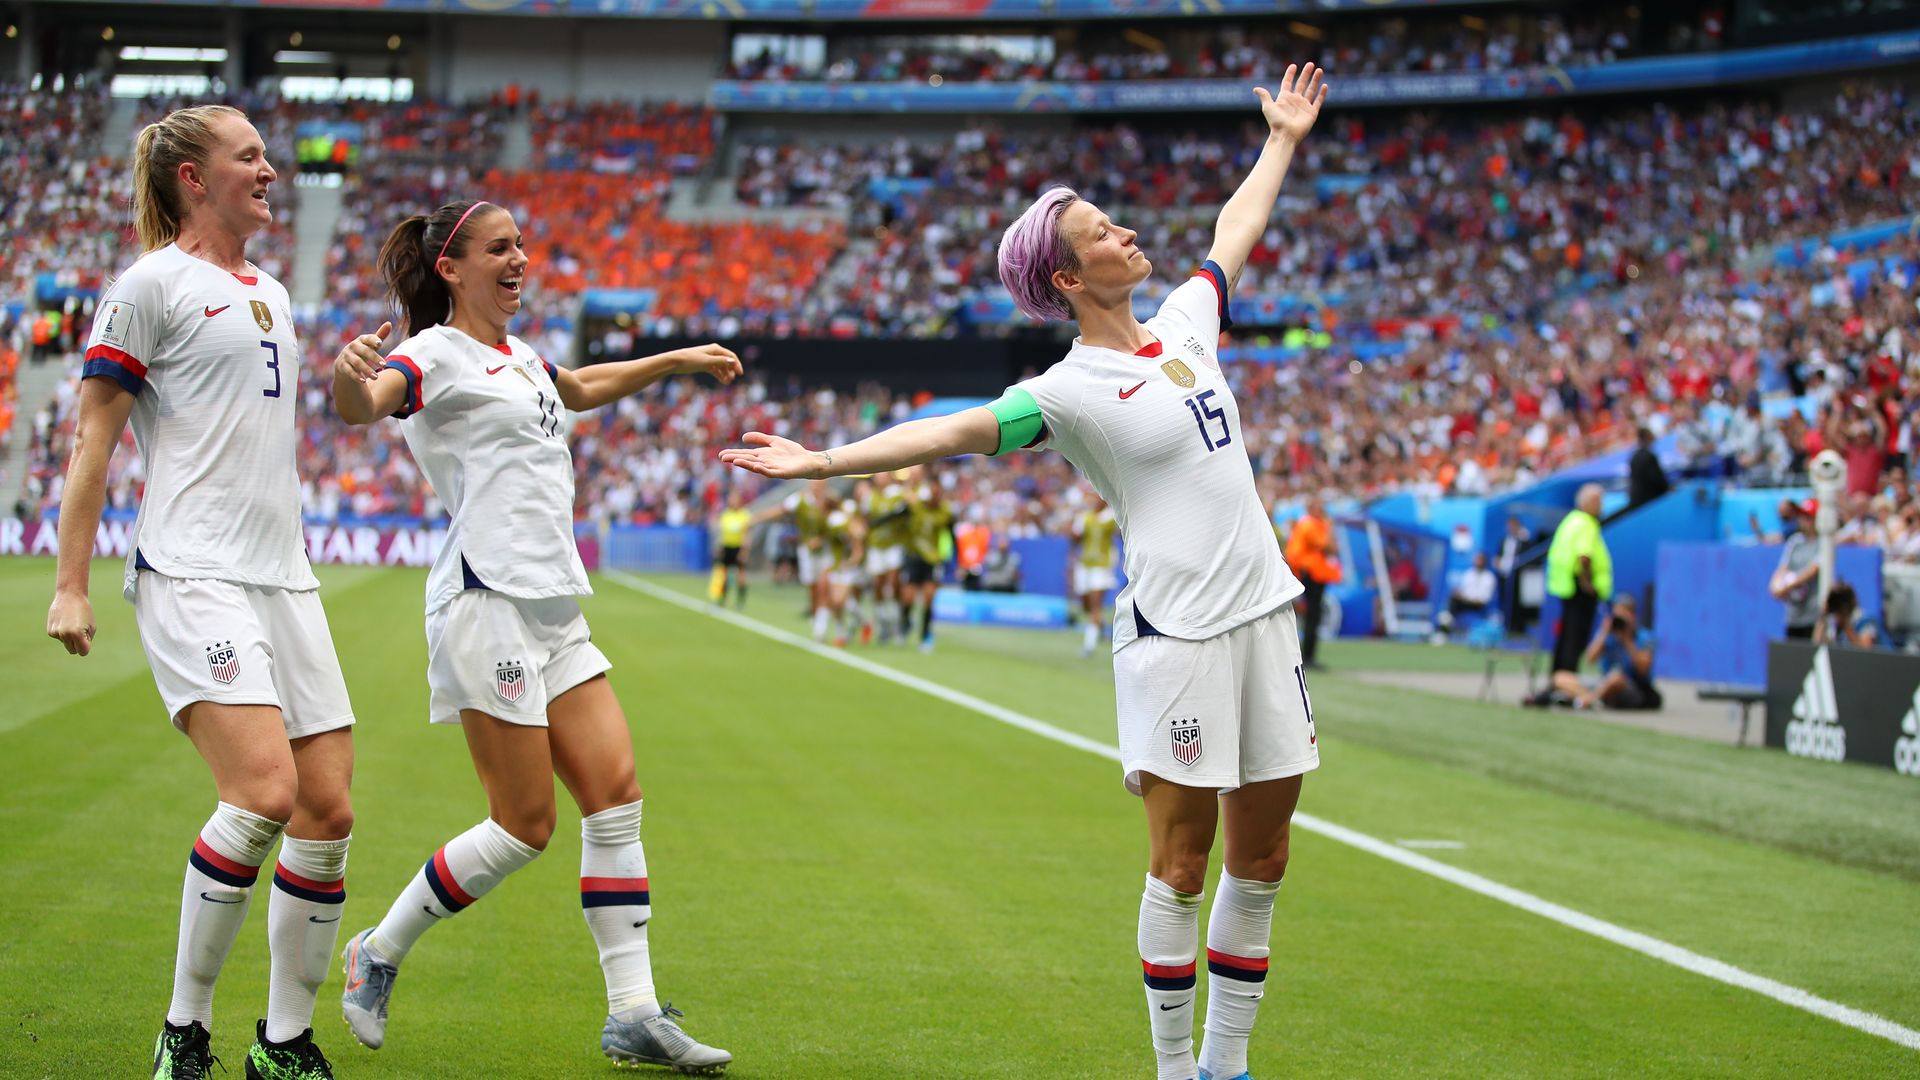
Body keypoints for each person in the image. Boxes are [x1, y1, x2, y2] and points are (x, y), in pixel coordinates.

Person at [722, 63, 1328, 1080]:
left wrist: (1282, 140)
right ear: (1067, 278)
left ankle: (1229, 1066)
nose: (1126, 233)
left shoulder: (1185, 325)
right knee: (1182, 869)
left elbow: (1234, 233)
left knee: (1261, 861)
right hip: (1175, 640)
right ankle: (1176, 1071)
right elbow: (953, 431)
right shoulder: (1066, 392)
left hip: (1267, 618)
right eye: (1101, 233)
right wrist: (822, 460)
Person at [329, 198, 737, 1072]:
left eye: (523, 245)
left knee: (617, 796)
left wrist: (675, 359)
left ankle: (632, 1013)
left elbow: (578, 388)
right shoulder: (430, 353)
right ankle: (378, 952)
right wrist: (347, 376)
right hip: (485, 599)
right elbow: (364, 407)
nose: (521, 260)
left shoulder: (519, 359)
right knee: (522, 827)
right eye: (501, 248)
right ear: (452, 267)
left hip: (552, 601)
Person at [45, 105, 356, 1080]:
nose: (272, 170)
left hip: (285, 576)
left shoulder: (272, 291)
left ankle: (285, 1044)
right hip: (194, 569)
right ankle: (183, 1032)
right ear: (192, 176)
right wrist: (71, 585)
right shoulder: (149, 286)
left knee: (328, 810)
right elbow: (94, 436)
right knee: (264, 792)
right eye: (250, 156)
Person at [1539, 484, 1612, 704]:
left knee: (1566, 638)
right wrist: (1587, 584)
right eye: (1598, 501)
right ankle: (1566, 687)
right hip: (1579, 590)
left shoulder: (1571, 521)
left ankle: (1558, 682)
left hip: (1566, 588)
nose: (1601, 506)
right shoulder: (1586, 523)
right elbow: (1584, 557)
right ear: (1588, 502)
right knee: (1575, 640)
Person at [1551, 596, 1661, 710]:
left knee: (1616, 677)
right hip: (1604, 682)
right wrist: (1604, 632)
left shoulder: (1645, 637)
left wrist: (1627, 640)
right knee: (1559, 677)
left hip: (1632, 686)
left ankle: (1586, 699)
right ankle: (1590, 699)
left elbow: (1643, 668)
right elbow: (1590, 659)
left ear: (1632, 616)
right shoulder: (1608, 634)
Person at [900, 467, 954, 653]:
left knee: (929, 598)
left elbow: (951, 534)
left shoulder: (945, 512)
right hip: (914, 555)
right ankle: (905, 621)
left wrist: (952, 559)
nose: (934, 495)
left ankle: (925, 635)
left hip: (932, 559)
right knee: (908, 597)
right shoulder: (916, 506)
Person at [1283, 498, 1340, 669]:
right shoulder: (1310, 525)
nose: (1322, 511)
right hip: (1311, 573)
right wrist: (1329, 526)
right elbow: (1326, 546)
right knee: (1312, 615)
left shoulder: (1309, 524)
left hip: (1311, 573)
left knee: (1311, 615)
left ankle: (1307, 654)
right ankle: (1307, 656)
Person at [1072, 492, 1120, 657]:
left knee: (1094, 605)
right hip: (1085, 564)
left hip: (1102, 565)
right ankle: (1100, 625)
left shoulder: (1111, 516)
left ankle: (1089, 646)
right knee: (1085, 605)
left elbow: (1119, 533)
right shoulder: (1084, 517)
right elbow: (1075, 539)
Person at [1770, 499, 1820, 640]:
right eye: (1802, 516)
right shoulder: (1795, 541)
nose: (1804, 521)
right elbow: (1783, 568)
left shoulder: (1823, 543)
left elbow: (1813, 570)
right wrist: (1775, 586)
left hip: (1813, 616)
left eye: (1808, 517)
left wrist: (1787, 586)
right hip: (1793, 615)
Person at [709, 489, 754, 609]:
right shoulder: (725, 514)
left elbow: (747, 534)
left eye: (734, 499)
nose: (732, 501)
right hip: (727, 547)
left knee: (741, 576)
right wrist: (719, 547)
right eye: (730, 499)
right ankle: (721, 599)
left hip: (738, 547)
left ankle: (740, 601)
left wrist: (744, 551)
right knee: (723, 575)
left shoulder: (744, 515)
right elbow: (722, 533)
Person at [1439, 552, 1498, 633]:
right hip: (1465, 602)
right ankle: (1444, 628)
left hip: (1479, 604)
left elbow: (1485, 598)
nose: (1478, 562)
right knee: (1452, 601)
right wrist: (1459, 594)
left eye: (1480, 560)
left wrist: (1471, 599)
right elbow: (1463, 591)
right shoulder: (1468, 574)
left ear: (1484, 562)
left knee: (1454, 603)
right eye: (1477, 560)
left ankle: (1445, 627)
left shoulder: (1489, 577)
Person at [1812, 579, 1880, 648]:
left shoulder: (1865, 620)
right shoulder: (1832, 622)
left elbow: (1866, 650)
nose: (1838, 604)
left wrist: (1845, 624)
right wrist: (1822, 616)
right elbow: (1817, 646)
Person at [1627, 426, 1669, 509]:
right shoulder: (1649, 456)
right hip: (1648, 500)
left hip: (1636, 498)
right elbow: (1656, 478)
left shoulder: (1634, 456)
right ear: (1647, 437)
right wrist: (1667, 489)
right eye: (1651, 435)